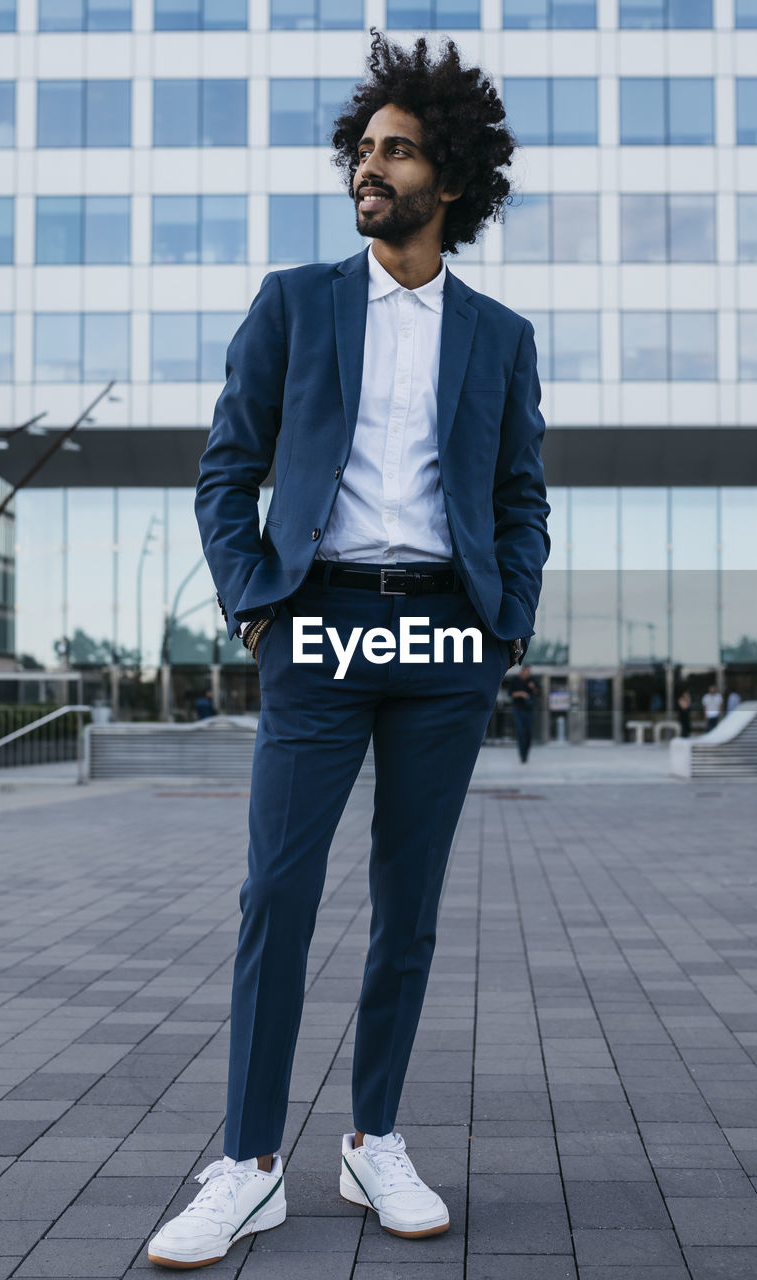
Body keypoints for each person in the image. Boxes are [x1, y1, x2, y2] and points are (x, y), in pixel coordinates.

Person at [147, 30, 550, 1270]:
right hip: (315, 621)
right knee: (278, 891)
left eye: (397, 151)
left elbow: (519, 496)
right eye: (362, 150)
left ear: (453, 179)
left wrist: (506, 621)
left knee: (407, 907)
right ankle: (251, 1159)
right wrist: (255, 599)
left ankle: (375, 1134)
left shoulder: (498, 334)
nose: (368, 169)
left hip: (442, 632)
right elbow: (228, 469)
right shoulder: (295, 303)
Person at [510, 663, 539, 763]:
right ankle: (522, 755)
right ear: (522, 671)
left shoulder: (532, 681)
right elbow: (511, 694)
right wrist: (521, 694)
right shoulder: (515, 680)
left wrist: (533, 687)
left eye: (528, 672)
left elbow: (539, 693)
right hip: (518, 709)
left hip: (529, 710)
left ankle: (526, 754)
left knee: (529, 733)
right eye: (526, 671)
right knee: (521, 732)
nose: (527, 673)